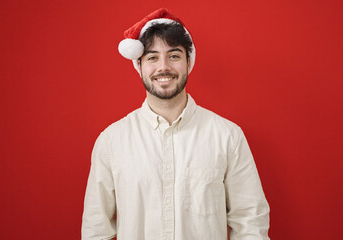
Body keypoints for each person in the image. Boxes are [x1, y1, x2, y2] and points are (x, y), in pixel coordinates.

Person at [82, 8, 270, 240]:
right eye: (152, 57)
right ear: (139, 66)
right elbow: (96, 230)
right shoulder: (111, 141)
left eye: (174, 55)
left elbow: (251, 222)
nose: (163, 67)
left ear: (188, 61)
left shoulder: (227, 136)